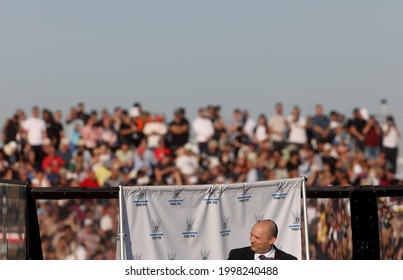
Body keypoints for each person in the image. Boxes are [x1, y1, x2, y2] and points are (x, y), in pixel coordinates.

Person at [227, 219, 297, 260]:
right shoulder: (236, 256)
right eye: (251, 235)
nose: (252, 240)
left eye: (257, 237)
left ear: (271, 240)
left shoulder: (289, 260)